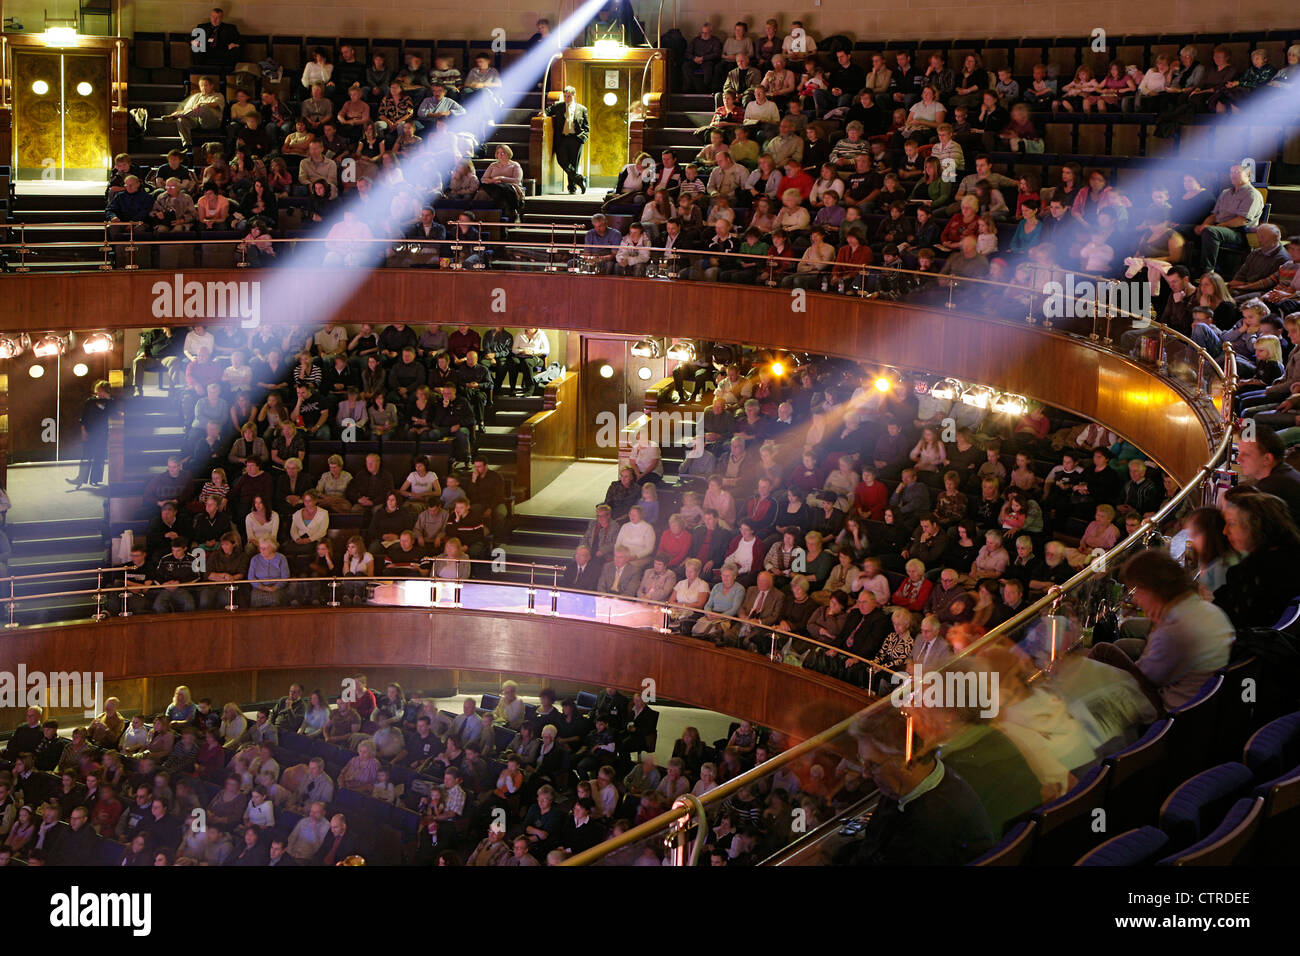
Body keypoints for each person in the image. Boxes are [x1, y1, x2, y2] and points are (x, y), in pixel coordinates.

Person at [547, 86, 589, 194]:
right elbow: (547, 111)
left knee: (573, 163)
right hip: (562, 138)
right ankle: (578, 178)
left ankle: (572, 187)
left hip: (576, 139)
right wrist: (543, 114)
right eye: (565, 96)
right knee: (562, 160)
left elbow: (586, 126)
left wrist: (583, 138)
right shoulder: (558, 106)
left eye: (569, 96)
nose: (566, 98)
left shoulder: (582, 109)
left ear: (574, 95)